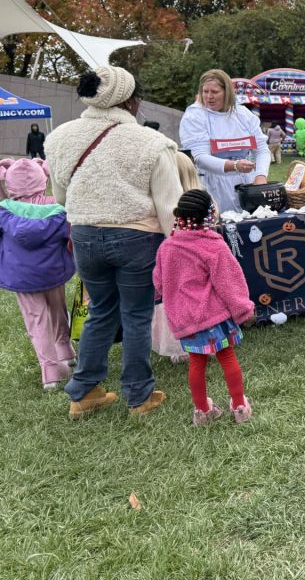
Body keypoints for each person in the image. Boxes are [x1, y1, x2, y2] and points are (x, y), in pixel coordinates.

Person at [45, 64, 182, 419]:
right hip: (137, 237)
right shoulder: (153, 143)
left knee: (101, 311)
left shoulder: (60, 137)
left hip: (85, 235)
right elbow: (170, 207)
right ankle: (139, 396)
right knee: (136, 315)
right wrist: (178, 248)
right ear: (131, 100)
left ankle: (84, 391)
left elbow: (61, 196)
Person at [153, 189, 254, 425]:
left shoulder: (167, 248)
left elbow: (158, 283)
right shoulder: (213, 246)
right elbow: (229, 283)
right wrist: (243, 309)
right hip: (214, 316)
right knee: (226, 356)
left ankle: (202, 411)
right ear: (209, 214)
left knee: (196, 362)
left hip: (185, 318)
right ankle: (239, 406)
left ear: (180, 216)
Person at [0, 158, 76, 388]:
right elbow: (70, 236)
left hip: (22, 277)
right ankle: (66, 351)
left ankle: (50, 371)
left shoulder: (4, 212)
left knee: (36, 320)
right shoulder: (58, 208)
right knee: (58, 311)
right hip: (54, 272)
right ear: (43, 179)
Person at [179, 69, 270, 214]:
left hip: (247, 183)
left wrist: (260, 177)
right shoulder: (195, 116)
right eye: (205, 91)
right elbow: (199, 157)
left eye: (215, 92)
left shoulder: (243, 114)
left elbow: (262, 149)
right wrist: (233, 165)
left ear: (227, 92)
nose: (209, 97)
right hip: (213, 184)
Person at [150, 152, 204, 364]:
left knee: (169, 301)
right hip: (196, 270)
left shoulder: (164, 205)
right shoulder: (203, 203)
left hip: (170, 264)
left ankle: (176, 346)